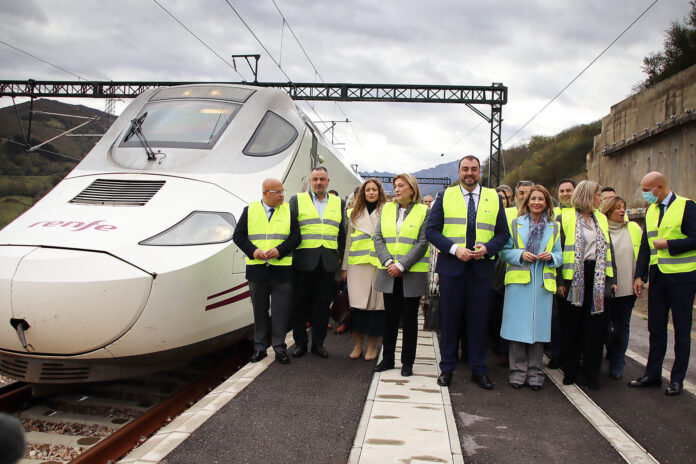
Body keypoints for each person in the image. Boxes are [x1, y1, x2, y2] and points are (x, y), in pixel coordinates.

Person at [426, 155, 509, 389]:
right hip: (453, 267)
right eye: (465, 169)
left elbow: (503, 234)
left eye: (474, 169)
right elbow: (432, 231)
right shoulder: (446, 195)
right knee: (450, 321)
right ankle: (447, 369)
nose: (469, 173)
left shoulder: (493, 197)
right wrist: (454, 249)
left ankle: (478, 369)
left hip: (481, 269)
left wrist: (488, 248)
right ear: (459, 172)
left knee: (478, 321)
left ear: (480, 171)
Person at [629, 171, 696, 396]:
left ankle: (677, 379)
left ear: (660, 187)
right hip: (658, 277)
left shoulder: (687, 206)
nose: (644, 194)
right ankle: (652, 374)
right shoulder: (651, 211)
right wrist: (640, 276)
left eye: (647, 190)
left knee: (681, 330)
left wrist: (669, 243)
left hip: (682, 277)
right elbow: (647, 246)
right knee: (656, 327)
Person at [500, 184, 562, 390]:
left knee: (539, 330)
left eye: (540, 199)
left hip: (542, 285)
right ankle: (517, 371)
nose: (536, 202)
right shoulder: (516, 223)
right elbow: (504, 252)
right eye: (533, 199)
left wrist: (551, 257)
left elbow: (560, 256)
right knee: (517, 329)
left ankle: (536, 373)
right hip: (519, 283)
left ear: (546, 203)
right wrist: (520, 254)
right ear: (527, 202)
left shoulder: (554, 227)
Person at [232, 178, 301, 364]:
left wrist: (280, 251)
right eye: (277, 192)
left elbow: (296, 237)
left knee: (280, 312)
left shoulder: (288, 211)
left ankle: (279, 348)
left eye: (282, 191)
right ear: (265, 193)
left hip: (282, 271)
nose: (282, 195)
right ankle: (260, 348)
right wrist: (253, 251)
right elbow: (238, 236)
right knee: (260, 312)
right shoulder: (250, 210)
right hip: (257, 271)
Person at [557, 180, 615, 390]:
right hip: (573, 277)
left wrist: (611, 279)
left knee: (595, 328)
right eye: (599, 195)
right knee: (571, 327)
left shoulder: (601, 218)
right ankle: (570, 371)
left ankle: (592, 374)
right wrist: (560, 281)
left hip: (597, 278)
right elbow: (558, 248)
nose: (602, 199)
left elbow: (609, 250)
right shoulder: (565, 217)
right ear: (589, 195)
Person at [373, 174, 430, 377]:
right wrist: (389, 262)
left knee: (409, 319)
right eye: (395, 186)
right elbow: (378, 237)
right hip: (389, 272)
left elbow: (423, 243)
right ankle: (387, 359)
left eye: (401, 186)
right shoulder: (387, 209)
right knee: (389, 318)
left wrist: (402, 265)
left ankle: (407, 362)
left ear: (412, 190)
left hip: (411, 273)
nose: (396, 190)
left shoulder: (424, 211)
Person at [289, 167, 346, 358]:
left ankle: (319, 344)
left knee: (323, 307)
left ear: (328, 181)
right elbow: (291, 229)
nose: (319, 182)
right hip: (303, 261)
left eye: (322, 179)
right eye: (315, 179)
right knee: (300, 305)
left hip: (328, 262)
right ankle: (300, 344)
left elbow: (342, 233)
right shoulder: (297, 200)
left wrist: (338, 255)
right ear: (310, 181)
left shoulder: (339, 203)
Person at [342, 178, 387, 361]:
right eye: (367, 190)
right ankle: (358, 345)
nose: (370, 193)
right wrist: (344, 267)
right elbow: (348, 243)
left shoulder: (387, 212)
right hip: (357, 266)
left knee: (376, 309)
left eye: (374, 190)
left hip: (378, 265)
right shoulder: (353, 213)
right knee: (358, 308)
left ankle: (372, 346)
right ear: (362, 193)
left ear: (379, 192)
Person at [601, 196, 642, 379]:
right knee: (607, 326)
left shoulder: (633, 228)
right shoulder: (601, 229)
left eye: (623, 207)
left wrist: (640, 277)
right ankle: (609, 353)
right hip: (606, 288)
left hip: (627, 287)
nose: (622, 211)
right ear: (608, 210)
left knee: (623, 325)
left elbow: (642, 254)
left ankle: (617, 363)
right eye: (617, 208)